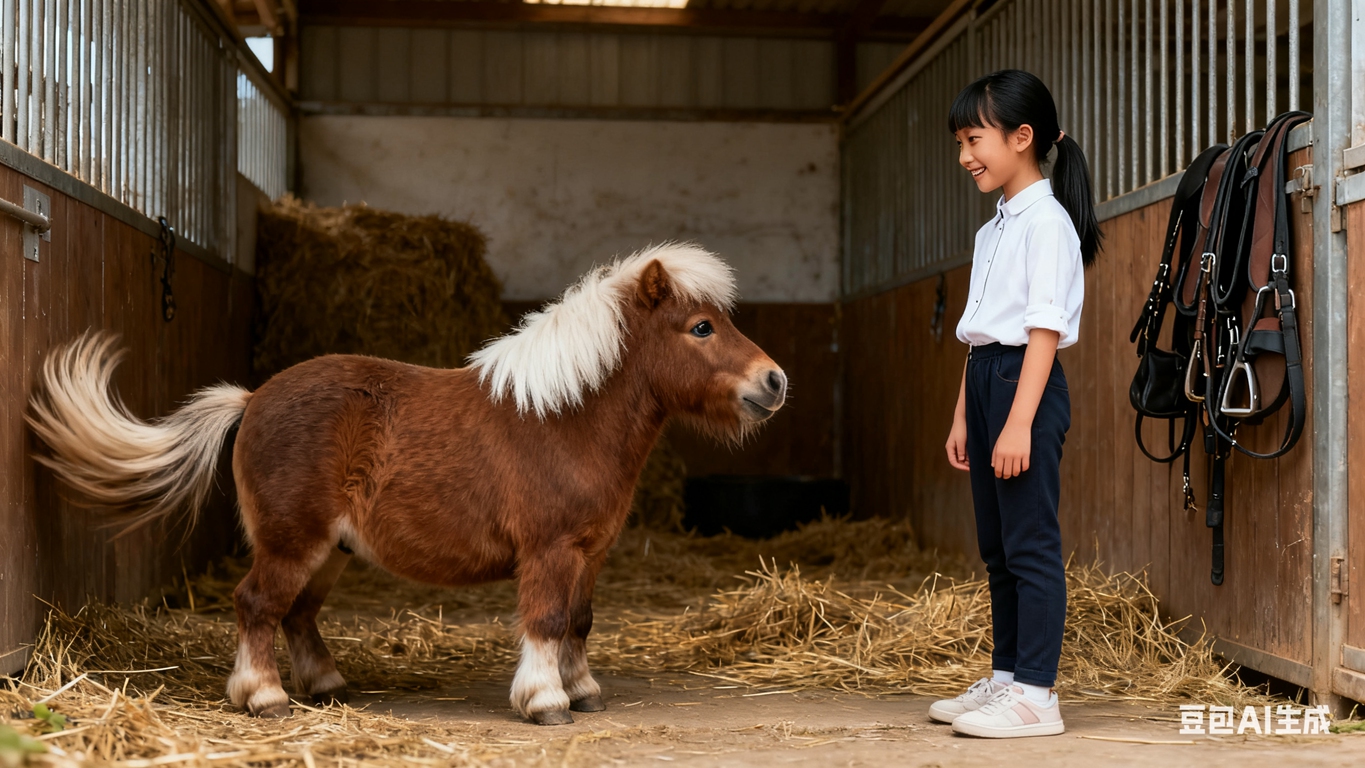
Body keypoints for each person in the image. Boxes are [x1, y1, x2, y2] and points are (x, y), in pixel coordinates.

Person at [930, 69, 1101, 738]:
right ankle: (1005, 679)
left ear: (1021, 137)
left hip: (1022, 386)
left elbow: (1042, 331)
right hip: (985, 380)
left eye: (974, 139)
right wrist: (961, 415)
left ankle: (1036, 694)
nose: (965, 155)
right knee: (997, 547)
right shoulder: (992, 229)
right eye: (959, 143)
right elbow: (979, 330)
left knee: (1029, 543)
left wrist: (1017, 421)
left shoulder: (1047, 224)